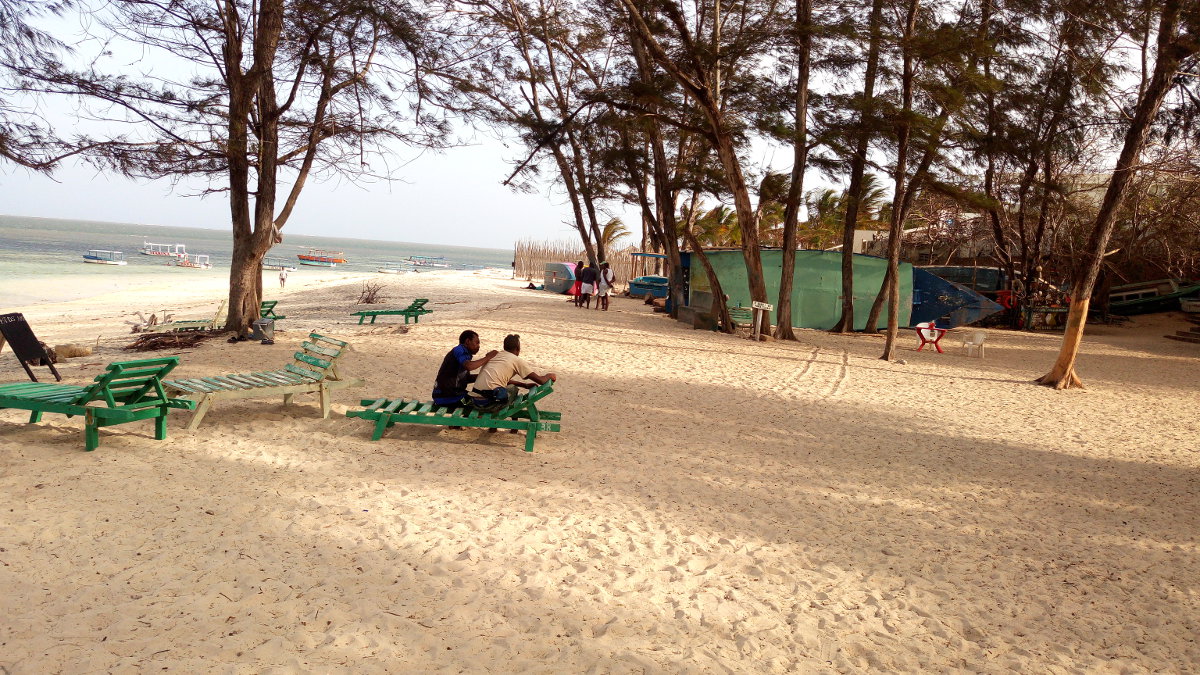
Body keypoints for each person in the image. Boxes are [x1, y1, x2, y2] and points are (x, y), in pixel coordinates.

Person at [471, 334, 556, 422]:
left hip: (475, 402)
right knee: (513, 389)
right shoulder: (516, 360)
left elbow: (500, 381)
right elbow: (541, 380)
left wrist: (525, 385)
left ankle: (502, 426)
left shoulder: (495, 355)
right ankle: (511, 424)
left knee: (505, 389)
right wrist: (550, 376)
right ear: (518, 349)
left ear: (504, 347)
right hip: (489, 404)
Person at [432, 331, 498, 425]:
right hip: (447, 396)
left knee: (481, 397)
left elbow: (466, 378)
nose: (478, 346)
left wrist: (486, 376)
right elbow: (469, 366)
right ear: (467, 341)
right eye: (477, 342)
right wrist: (487, 358)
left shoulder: (465, 354)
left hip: (451, 394)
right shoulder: (459, 350)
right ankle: (459, 424)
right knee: (485, 402)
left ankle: (457, 424)